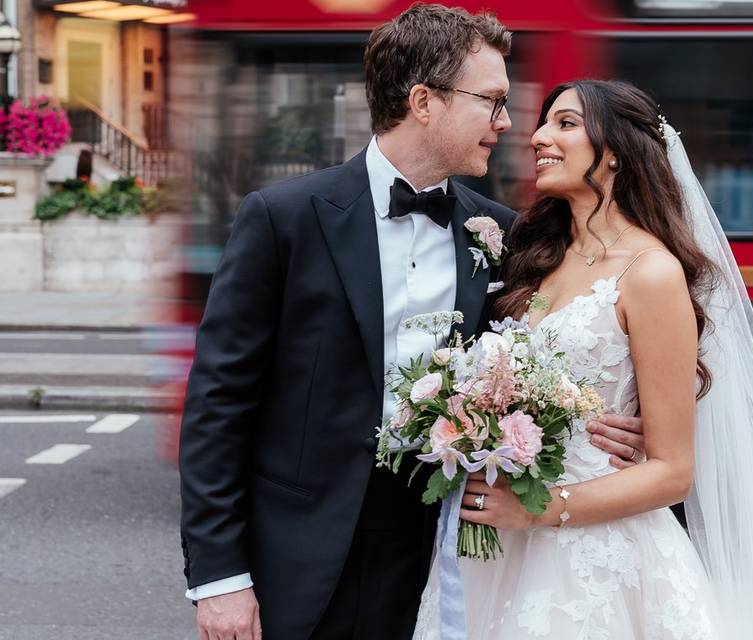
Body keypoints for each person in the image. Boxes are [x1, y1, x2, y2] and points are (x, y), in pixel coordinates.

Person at [178, 7, 645, 639]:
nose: (507, 124)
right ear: (424, 101)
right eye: (493, 101)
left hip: (446, 547)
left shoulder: (504, 233)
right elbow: (218, 405)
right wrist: (221, 579)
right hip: (300, 553)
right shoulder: (281, 219)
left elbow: (541, 358)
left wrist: (604, 425)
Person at [413, 80, 753, 639]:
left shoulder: (650, 272)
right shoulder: (532, 253)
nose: (539, 136)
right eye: (544, 123)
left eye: (566, 124)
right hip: (497, 547)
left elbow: (673, 472)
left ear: (617, 150)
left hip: (595, 558)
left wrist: (539, 509)